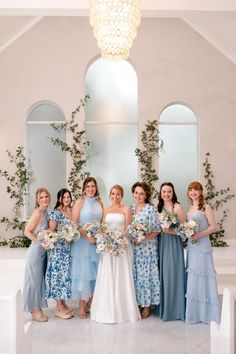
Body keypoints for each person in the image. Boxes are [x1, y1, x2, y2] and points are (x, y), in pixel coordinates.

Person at [90, 184, 140, 324]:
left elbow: (128, 227)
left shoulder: (126, 209)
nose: (115, 196)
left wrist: (119, 239)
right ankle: (106, 310)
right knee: (108, 275)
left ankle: (124, 310)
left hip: (122, 245)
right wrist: (108, 239)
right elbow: (103, 228)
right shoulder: (106, 210)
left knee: (121, 276)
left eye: (118, 194)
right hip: (108, 247)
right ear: (110, 195)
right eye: (113, 194)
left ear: (122, 195)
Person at [185, 181, 220, 324]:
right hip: (192, 246)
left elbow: (214, 227)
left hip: (203, 245)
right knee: (194, 276)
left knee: (204, 275)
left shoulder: (205, 207)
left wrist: (199, 235)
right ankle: (195, 313)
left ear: (201, 192)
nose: (193, 192)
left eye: (196, 190)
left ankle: (207, 314)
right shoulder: (190, 208)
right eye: (191, 190)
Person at [71, 177, 103, 319]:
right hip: (82, 243)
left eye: (93, 186)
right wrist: (86, 236)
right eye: (88, 186)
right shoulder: (80, 202)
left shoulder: (100, 202)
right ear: (84, 188)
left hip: (96, 242)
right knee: (83, 274)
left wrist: (98, 235)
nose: (91, 189)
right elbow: (74, 223)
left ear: (96, 188)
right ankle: (82, 306)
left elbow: (103, 222)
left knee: (95, 273)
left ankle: (91, 302)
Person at [130, 182, 160, 319]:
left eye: (141, 193)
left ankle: (147, 306)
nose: (138, 195)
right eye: (136, 193)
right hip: (134, 249)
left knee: (146, 276)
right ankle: (138, 303)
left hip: (147, 249)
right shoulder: (130, 209)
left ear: (146, 195)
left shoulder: (150, 209)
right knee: (136, 277)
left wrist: (143, 238)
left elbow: (157, 230)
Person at [157, 182, 186, 321]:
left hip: (173, 244)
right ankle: (163, 306)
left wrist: (171, 231)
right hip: (161, 243)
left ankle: (174, 309)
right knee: (162, 274)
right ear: (161, 193)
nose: (166, 194)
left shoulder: (177, 207)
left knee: (171, 273)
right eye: (164, 191)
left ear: (173, 193)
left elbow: (185, 230)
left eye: (169, 191)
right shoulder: (159, 206)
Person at [45, 188, 74, 319]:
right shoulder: (55, 213)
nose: (67, 199)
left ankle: (63, 302)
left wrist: (70, 236)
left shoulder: (70, 211)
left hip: (68, 249)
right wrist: (64, 236)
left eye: (69, 197)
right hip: (58, 250)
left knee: (65, 275)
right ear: (59, 199)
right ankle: (58, 305)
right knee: (58, 276)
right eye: (64, 197)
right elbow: (51, 232)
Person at [23, 188, 51, 322]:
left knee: (39, 281)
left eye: (46, 196)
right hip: (35, 252)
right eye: (41, 198)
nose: (44, 199)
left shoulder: (47, 213)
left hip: (42, 253)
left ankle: (36, 308)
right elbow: (27, 232)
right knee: (34, 281)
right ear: (37, 200)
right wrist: (41, 242)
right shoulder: (38, 213)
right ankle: (34, 310)